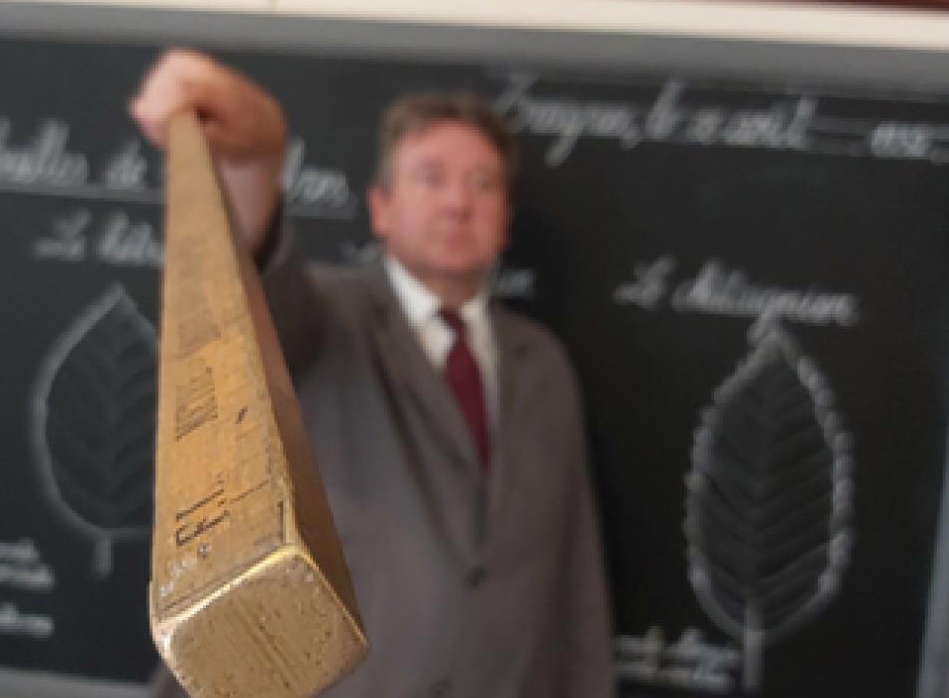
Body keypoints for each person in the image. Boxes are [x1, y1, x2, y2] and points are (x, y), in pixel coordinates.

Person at [132, 50, 614, 698]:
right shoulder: (324, 318)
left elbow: (576, 580)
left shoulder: (544, 364)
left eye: (482, 184)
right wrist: (254, 163)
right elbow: (245, 287)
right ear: (381, 208)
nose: (457, 202)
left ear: (504, 219)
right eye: (431, 178)